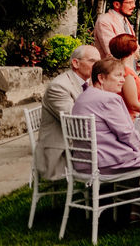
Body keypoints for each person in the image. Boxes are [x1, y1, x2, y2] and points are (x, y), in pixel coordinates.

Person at [35, 45, 100, 180]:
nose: (98, 66)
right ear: (76, 63)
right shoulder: (59, 87)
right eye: (93, 61)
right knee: (121, 154)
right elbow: (76, 124)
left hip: (80, 145)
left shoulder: (89, 82)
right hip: (62, 153)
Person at [70, 57, 140, 172]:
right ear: (101, 78)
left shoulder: (83, 97)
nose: (123, 80)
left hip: (83, 162)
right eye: (118, 75)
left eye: (123, 76)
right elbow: (126, 133)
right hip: (108, 162)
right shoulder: (109, 99)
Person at [93, 0, 137, 66]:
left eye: (134, 2)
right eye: (130, 2)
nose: (133, 5)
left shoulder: (124, 20)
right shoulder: (104, 21)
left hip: (128, 68)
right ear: (116, 4)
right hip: (113, 71)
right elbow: (112, 52)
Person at [108, 33, 140, 119]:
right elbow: (133, 104)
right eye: (137, 44)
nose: (139, 47)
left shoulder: (126, 69)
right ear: (132, 49)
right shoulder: (126, 73)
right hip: (129, 119)